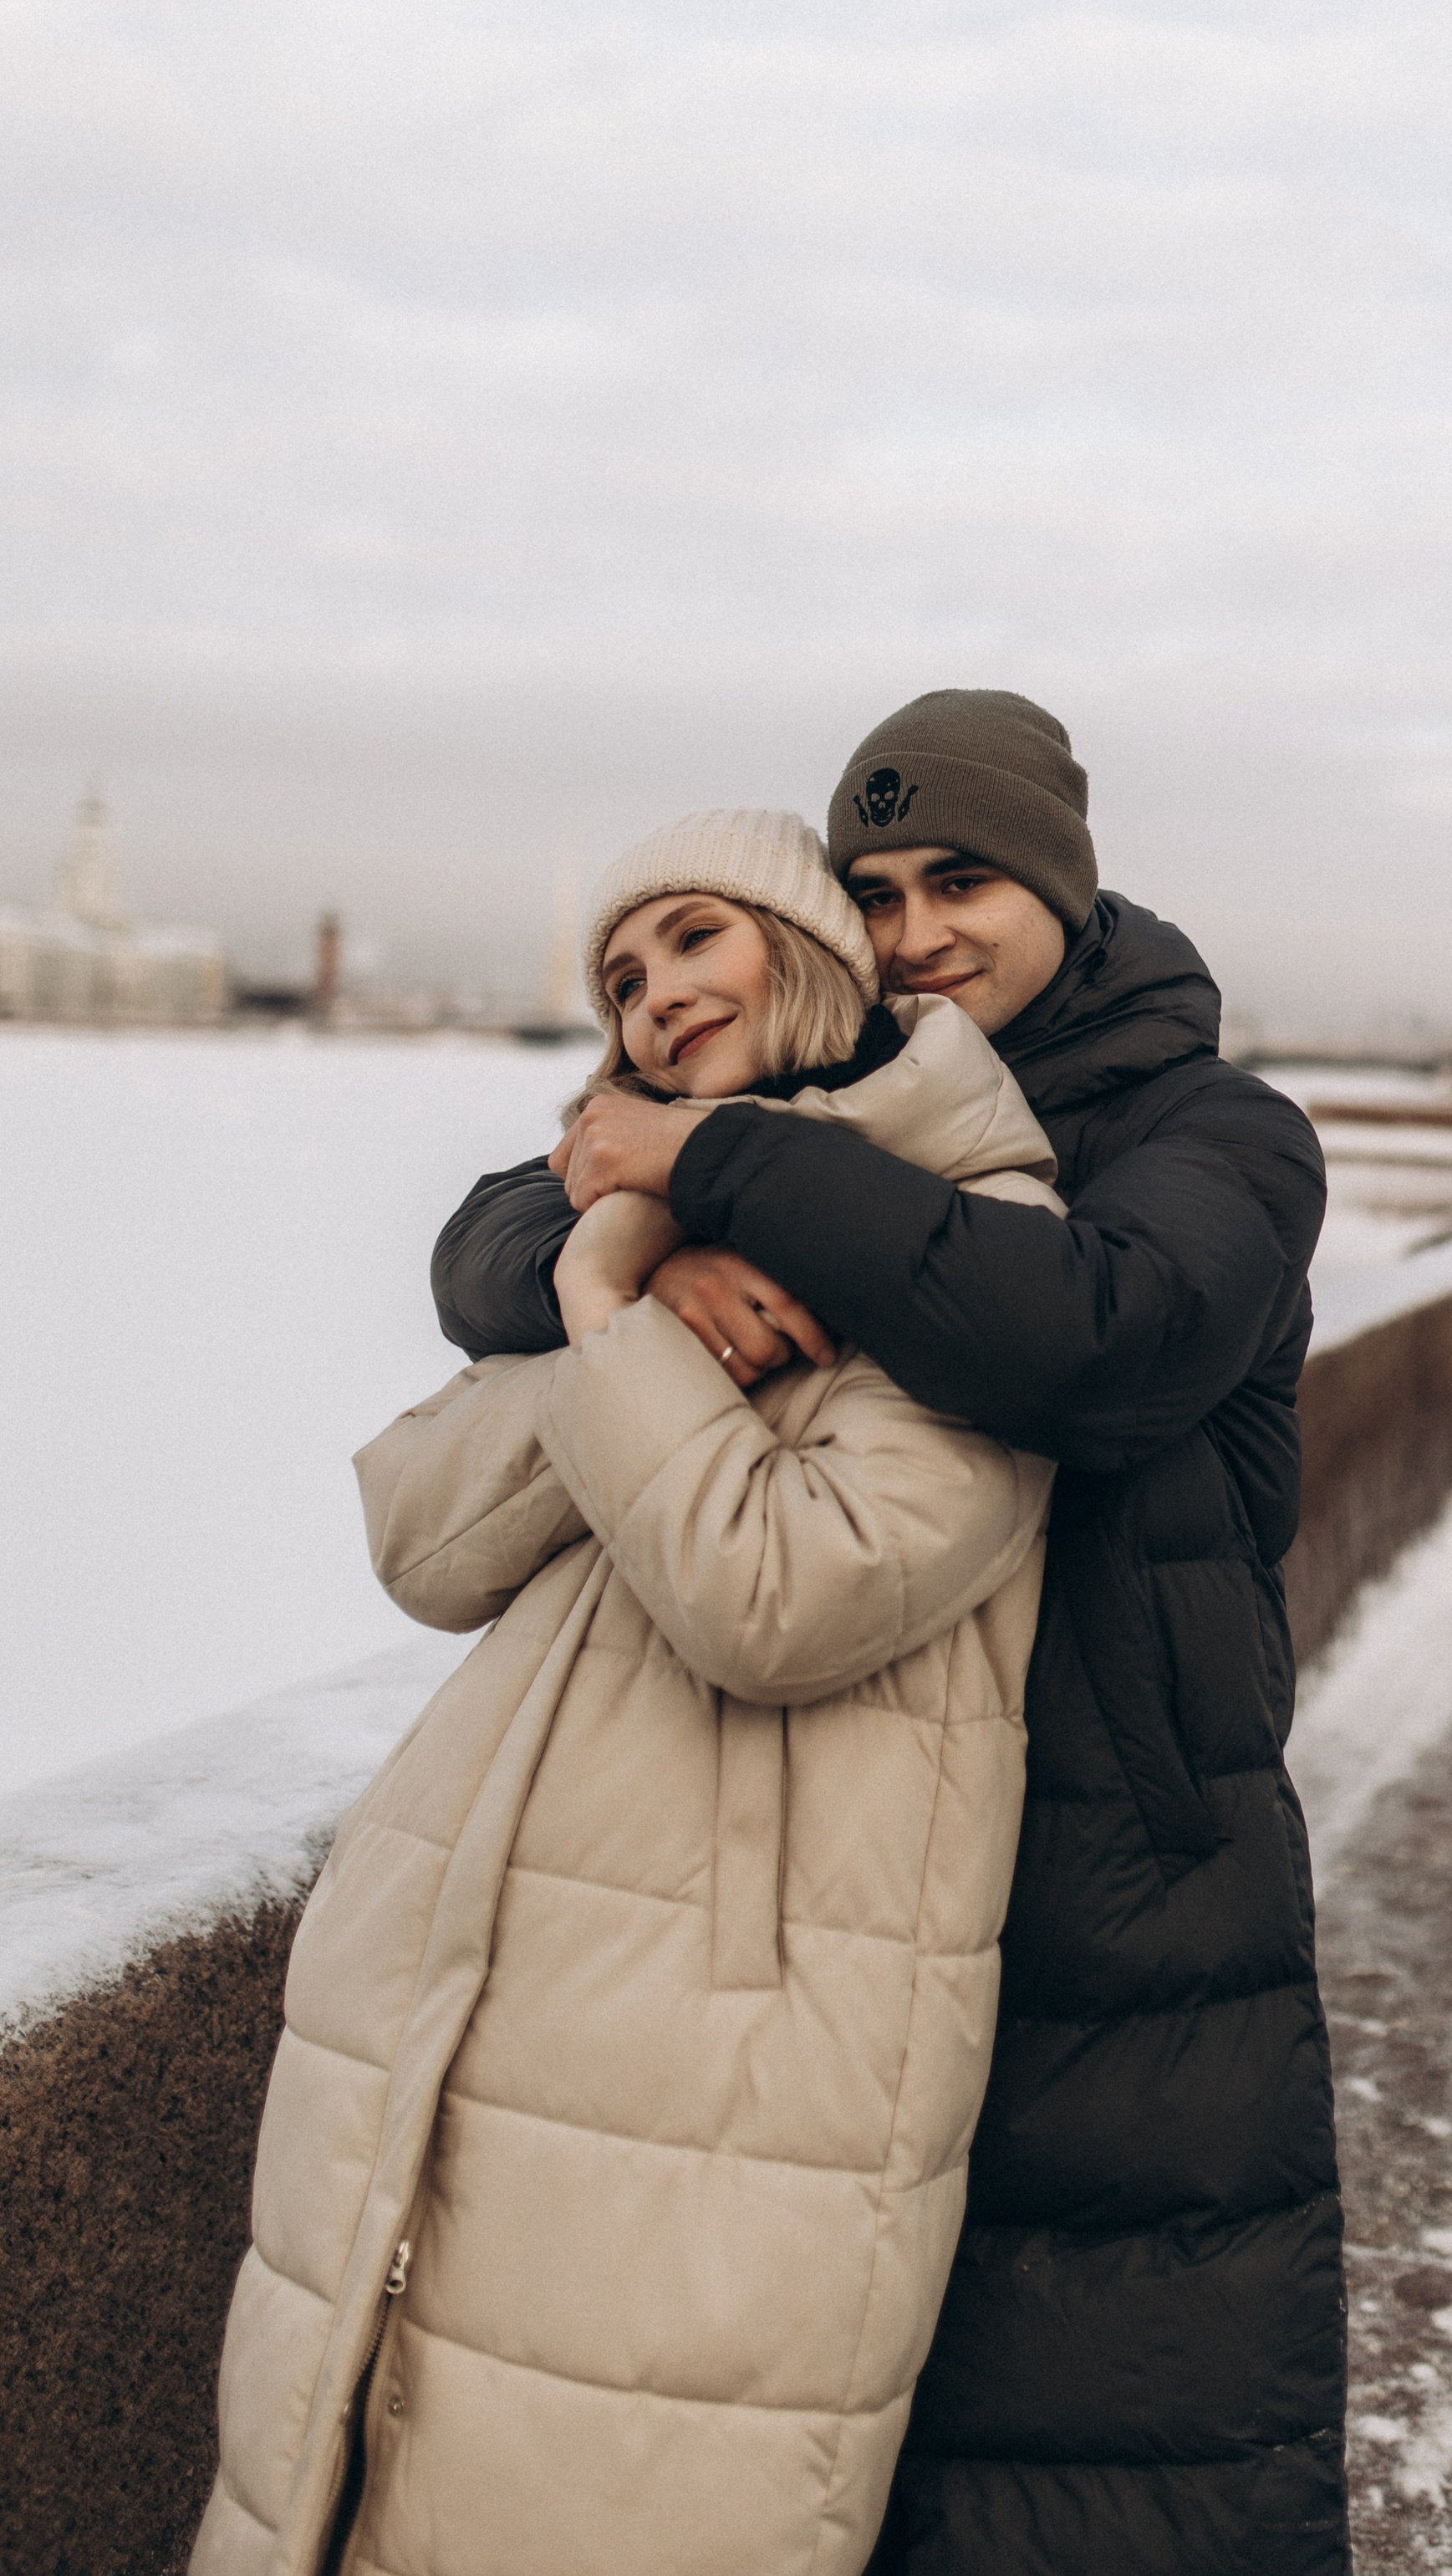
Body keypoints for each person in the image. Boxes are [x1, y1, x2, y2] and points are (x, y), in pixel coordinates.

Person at [433, 692, 1351, 2575]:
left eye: (963, 882)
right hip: (849, 1881)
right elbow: (486, 1241)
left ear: (1061, 888)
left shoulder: (1216, 1134)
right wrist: (649, 1245)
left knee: (1109, 2460)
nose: (919, 931)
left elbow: (1095, 1334)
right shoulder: (834, 1108)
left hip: (1118, 1894)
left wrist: (708, 1168)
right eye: (874, 890)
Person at [191, 810, 1062, 2576]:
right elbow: (420, 1531)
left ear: (802, 952)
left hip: (723, 2056)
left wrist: (603, 1308)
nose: (654, 993)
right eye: (620, 977)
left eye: (693, 939)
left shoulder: (974, 1241)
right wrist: (628, 1283)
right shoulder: (636, 1232)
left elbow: (780, 1594)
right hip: (467, 1989)